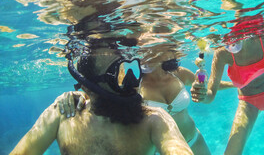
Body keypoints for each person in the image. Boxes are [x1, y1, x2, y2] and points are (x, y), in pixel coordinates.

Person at [10, 46, 194, 155]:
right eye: (117, 75)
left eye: (130, 69)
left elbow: (175, 148)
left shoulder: (155, 120)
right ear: (87, 87)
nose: (131, 84)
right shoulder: (63, 113)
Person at [57, 44, 235, 154]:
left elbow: (205, 86)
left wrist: (235, 85)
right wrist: (73, 95)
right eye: (145, 49)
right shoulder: (133, 82)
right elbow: (99, 93)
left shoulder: (178, 73)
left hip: (194, 139)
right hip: (160, 149)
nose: (148, 54)